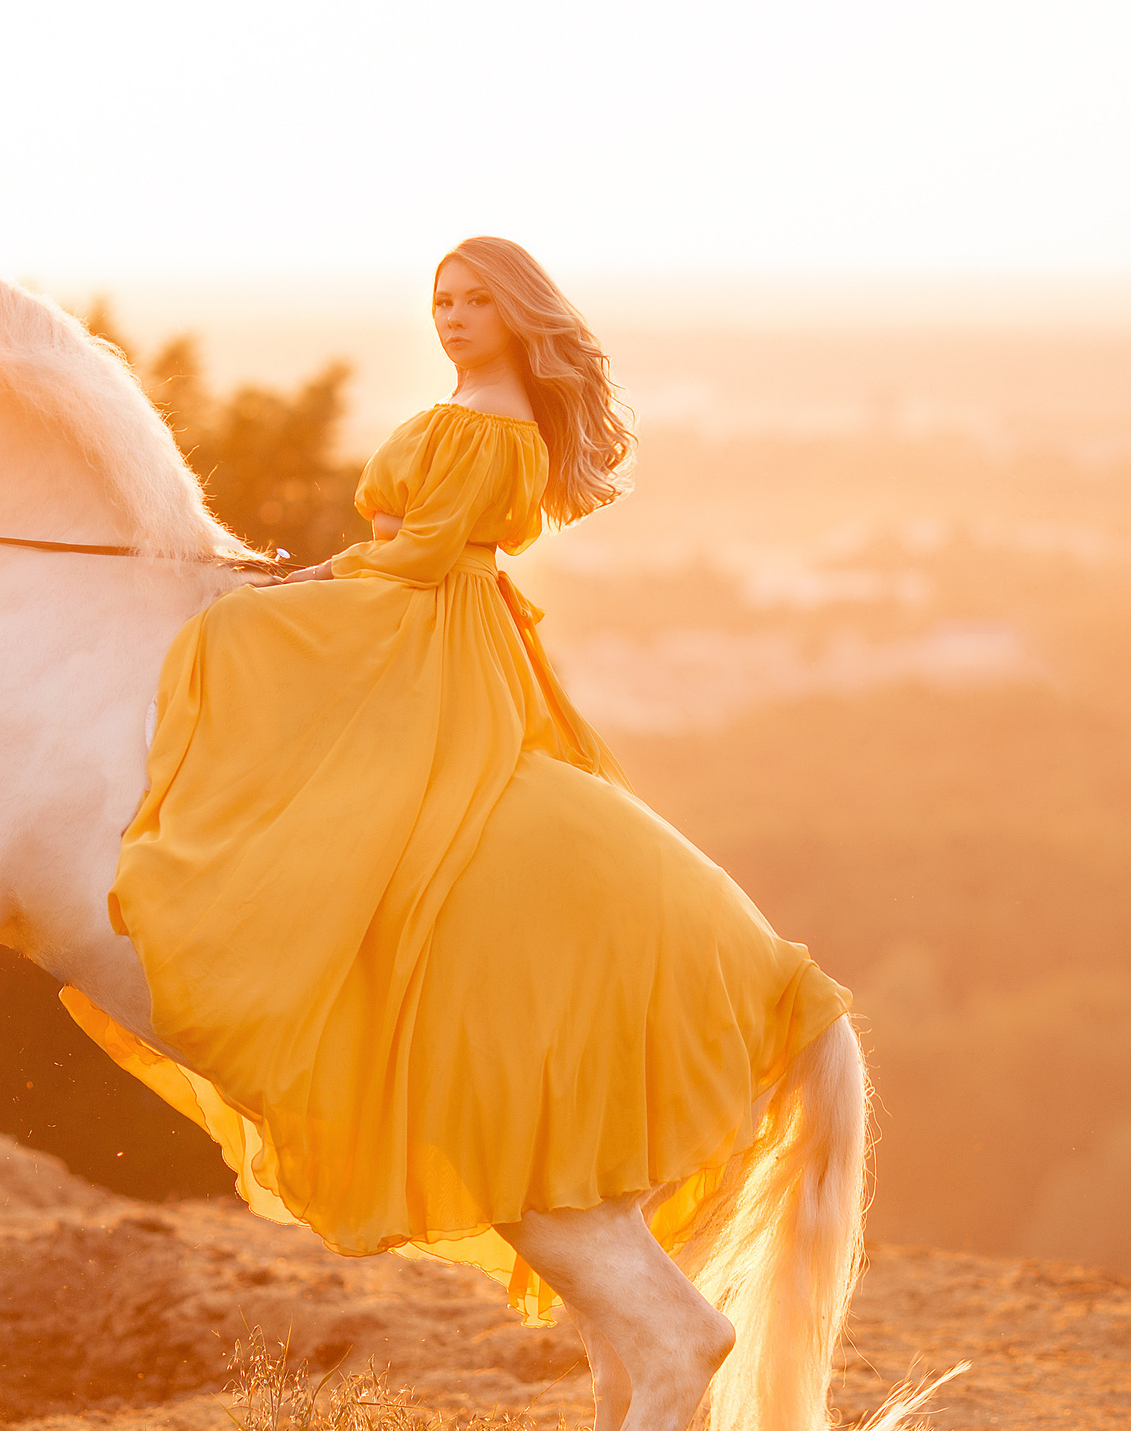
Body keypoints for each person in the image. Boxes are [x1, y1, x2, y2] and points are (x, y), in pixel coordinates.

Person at [66, 237, 851, 1319]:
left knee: (225, 644)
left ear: (516, 313)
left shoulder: (488, 421)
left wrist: (305, 581)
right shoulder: (482, 408)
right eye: (442, 299)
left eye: (476, 299)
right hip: (433, 612)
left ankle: (204, 864)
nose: (452, 315)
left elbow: (421, 556)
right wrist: (317, 573)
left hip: (428, 621)